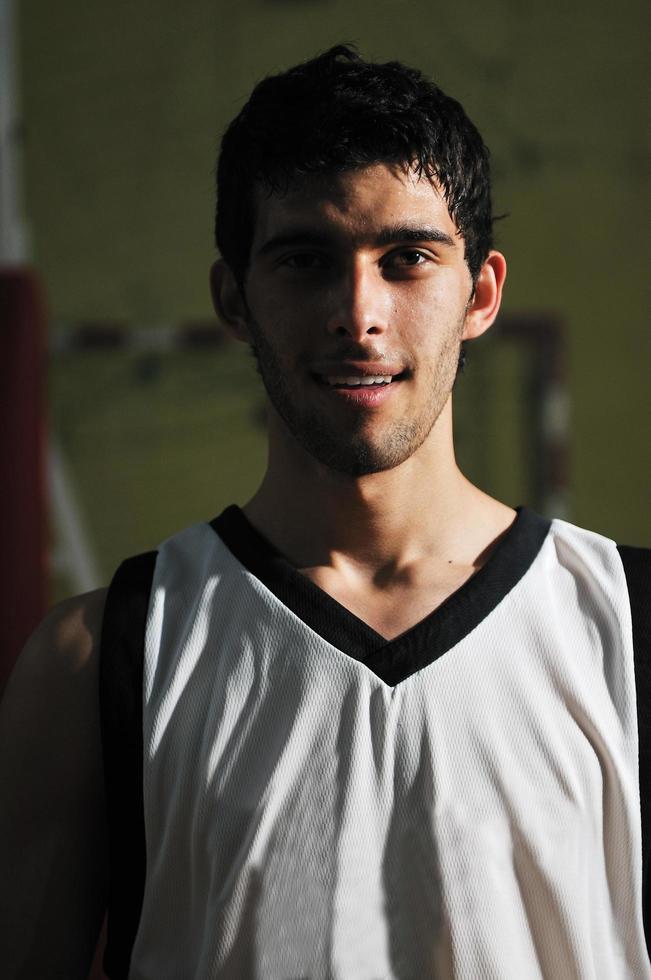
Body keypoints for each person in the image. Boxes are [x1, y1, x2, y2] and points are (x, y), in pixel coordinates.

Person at [1, 44, 649, 980]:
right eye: (307, 260)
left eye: (407, 258)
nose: (359, 311)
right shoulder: (100, 661)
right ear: (233, 298)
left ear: (481, 294)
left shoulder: (622, 630)